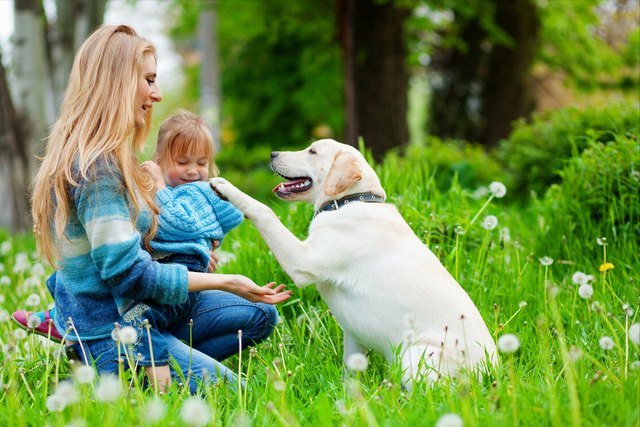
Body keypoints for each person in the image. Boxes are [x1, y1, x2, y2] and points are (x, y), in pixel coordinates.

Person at [18, 25, 292, 393]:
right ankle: (130, 373)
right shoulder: (99, 171)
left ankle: (161, 373)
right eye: (148, 80)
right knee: (233, 395)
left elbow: (126, 249)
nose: (157, 94)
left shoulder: (110, 161)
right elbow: (128, 277)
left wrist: (185, 254)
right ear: (116, 82)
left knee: (260, 314)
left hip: (141, 315)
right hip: (117, 331)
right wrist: (228, 282)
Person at [15, 109, 257, 390]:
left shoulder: (192, 189)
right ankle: (158, 383)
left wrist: (204, 244)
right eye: (182, 162)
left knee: (261, 313)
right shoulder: (105, 171)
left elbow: (197, 221)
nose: (193, 170)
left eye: (201, 162)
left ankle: (171, 360)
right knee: (227, 388)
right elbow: (140, 248)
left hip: (168, 285)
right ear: (161, 161)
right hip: (117, 317)